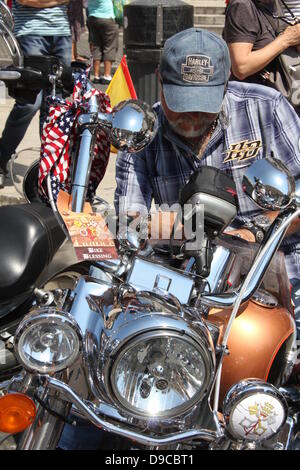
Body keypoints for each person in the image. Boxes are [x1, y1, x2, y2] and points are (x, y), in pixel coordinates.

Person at [114, 28, 300, 340]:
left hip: (279, 262)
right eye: (180, 102)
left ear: (226, 84)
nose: (190, 116)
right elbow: (127, 225)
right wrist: (196, 230)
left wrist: (254, 232)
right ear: (160, 80)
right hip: (188, 279)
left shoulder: (266, 108)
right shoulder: (142, 135)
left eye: (202, 104)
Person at [0, 0, 72, 188]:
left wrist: (42, 2)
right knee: (30, 102)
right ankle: (1, 158)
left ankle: (50, 168)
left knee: (56, 106)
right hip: (30, 33)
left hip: (61, 33)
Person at [223, 0, 300, 84]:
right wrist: (286, 39)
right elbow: (241, 68)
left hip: (281, 90)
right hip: (255, 92)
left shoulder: (275, 3)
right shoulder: (243, 5)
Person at [87, 0, 118, 84]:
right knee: (109, 46)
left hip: (92, 17)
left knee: (96, 46)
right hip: (106, 17)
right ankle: (106, 75)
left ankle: (96, 75)